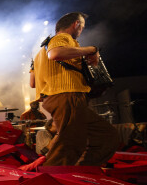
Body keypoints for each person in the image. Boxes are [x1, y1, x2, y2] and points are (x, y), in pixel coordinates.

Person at [34, 12, 119, 166]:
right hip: (67, 96)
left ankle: (81, 172)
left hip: (58, 98)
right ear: (76, 24)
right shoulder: (63, 38)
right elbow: (56, 53)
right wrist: (91, 50)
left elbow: (32, 83)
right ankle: (50, 181)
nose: (81, 31)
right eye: (82, 26)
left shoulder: (39, 53)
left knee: (106, 136)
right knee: (70, 145)